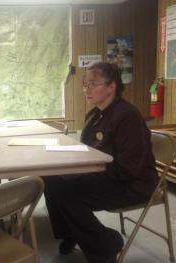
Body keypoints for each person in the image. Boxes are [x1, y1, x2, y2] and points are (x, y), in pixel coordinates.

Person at [43, 63, 158, 263]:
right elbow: (88, 151)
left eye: (92, 84)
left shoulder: (128, 117)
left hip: (133, 183)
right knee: (51, 180)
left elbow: (129, 168)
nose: (86, 89)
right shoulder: (94, 114)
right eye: (85, 84)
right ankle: (72, 233)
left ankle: (106, 244)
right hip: (104, 174)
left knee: (70, 197)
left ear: (111, 87)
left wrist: (86, 173)